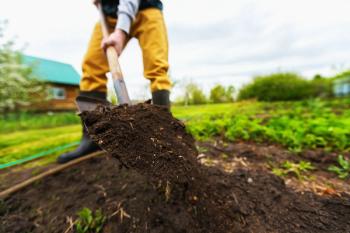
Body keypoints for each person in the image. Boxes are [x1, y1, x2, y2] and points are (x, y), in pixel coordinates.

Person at [57, 0, 171, 163]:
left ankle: (165, 134)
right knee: (92, 67)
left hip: (147, 8)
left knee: (157, 67)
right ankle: (94, 138)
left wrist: (121, 31)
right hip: (110, 16)